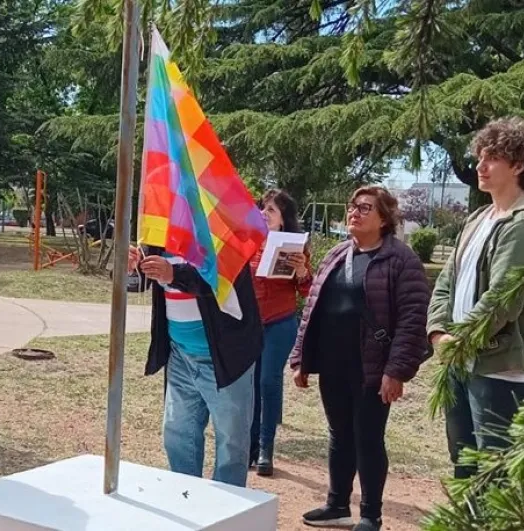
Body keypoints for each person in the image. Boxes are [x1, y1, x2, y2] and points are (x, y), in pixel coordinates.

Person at [289, 186, 431, 531]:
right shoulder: (337, 253)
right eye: (353, 207)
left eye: (365, 208)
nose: (355, 212)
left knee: (368, 437)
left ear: (384, 218)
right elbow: (312, 309)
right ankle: (337, 505)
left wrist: (396, 370)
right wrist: (300, 358)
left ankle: (371, 514)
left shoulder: (402, 260)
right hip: (334, 364)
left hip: (373, 367)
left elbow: (413, 320)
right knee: (339, 434)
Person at [427, 117, 524, 480]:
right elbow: (446, 282)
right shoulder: (479, 218)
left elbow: (503, 300)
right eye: (479, 157)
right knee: (465, 467)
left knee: (494, 478)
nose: (480, 166)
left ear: (518, 165)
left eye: (491, 158)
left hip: (502, 370)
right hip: (463, 360)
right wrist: (439, 333)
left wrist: (459, 341)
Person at [127, 244, 263, 488]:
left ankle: (226, 513)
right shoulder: (160, 231)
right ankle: (186, 498)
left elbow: (219, 277)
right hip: (180, 354)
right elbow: (141, 282)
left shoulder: (222, 223)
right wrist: (135, 264)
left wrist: (173, 273)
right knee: (177, 434)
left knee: (231, 442)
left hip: (226, 356)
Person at [248, 189, 311, 477]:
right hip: (248, 324)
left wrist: (301, 272)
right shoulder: (248, 241)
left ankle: (265, 449)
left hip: (280, 322)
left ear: (284, 218)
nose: (264, 213)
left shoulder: (296, 246)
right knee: (249, 385)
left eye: (271, 210)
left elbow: (307, 292)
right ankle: (247, 447)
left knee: (267, 381)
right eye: (263, 208)